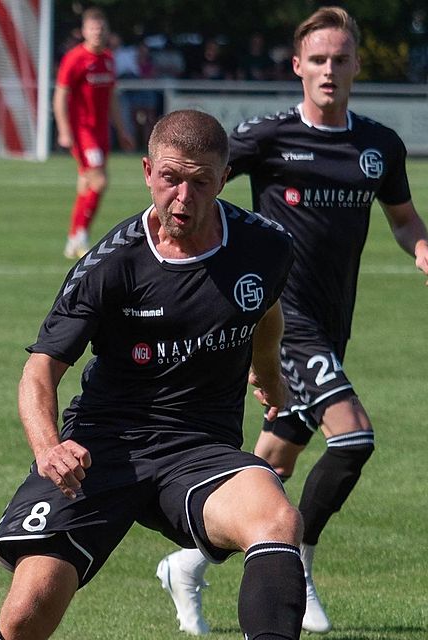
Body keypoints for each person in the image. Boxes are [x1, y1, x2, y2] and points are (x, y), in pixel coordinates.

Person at [156, 7, 428, 636]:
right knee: (353, 437)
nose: (330, 70)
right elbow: (201, 184)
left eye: (341, 59)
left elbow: (405, 217)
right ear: (298, 65)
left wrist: (419, 246)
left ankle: (189, 564)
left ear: (357, 64)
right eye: (319, 59)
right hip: (281, 318)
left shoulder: (378, 147)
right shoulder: (268, 137)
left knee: (268, 470)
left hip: (333, 324)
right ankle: (299, 564)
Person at [0, 109, 305, 640]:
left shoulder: (266, 246)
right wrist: (48, 448)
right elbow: (39, 371)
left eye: (201, 182)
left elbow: (265, 310)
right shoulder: (109, 266)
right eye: (171, 179)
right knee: (27, 613)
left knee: (277, 522)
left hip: (201, 448)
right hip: (102, 446)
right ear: (148, 172)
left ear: (224, 180)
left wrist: (268, 374)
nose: (184, 197)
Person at [53, 7, 135, 260]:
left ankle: (72, 240)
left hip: (101, 133)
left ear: (106, 31)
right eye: (92, 29)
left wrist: (122, 131)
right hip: (83, 132)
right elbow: (60, 96)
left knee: (87, 185)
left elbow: (111, 99)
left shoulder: (108, 59)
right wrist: (65, 130)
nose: (97, 33)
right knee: (99, 181)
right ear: (84, 32)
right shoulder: (75, 59)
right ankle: (80, 238)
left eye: (101, 29)